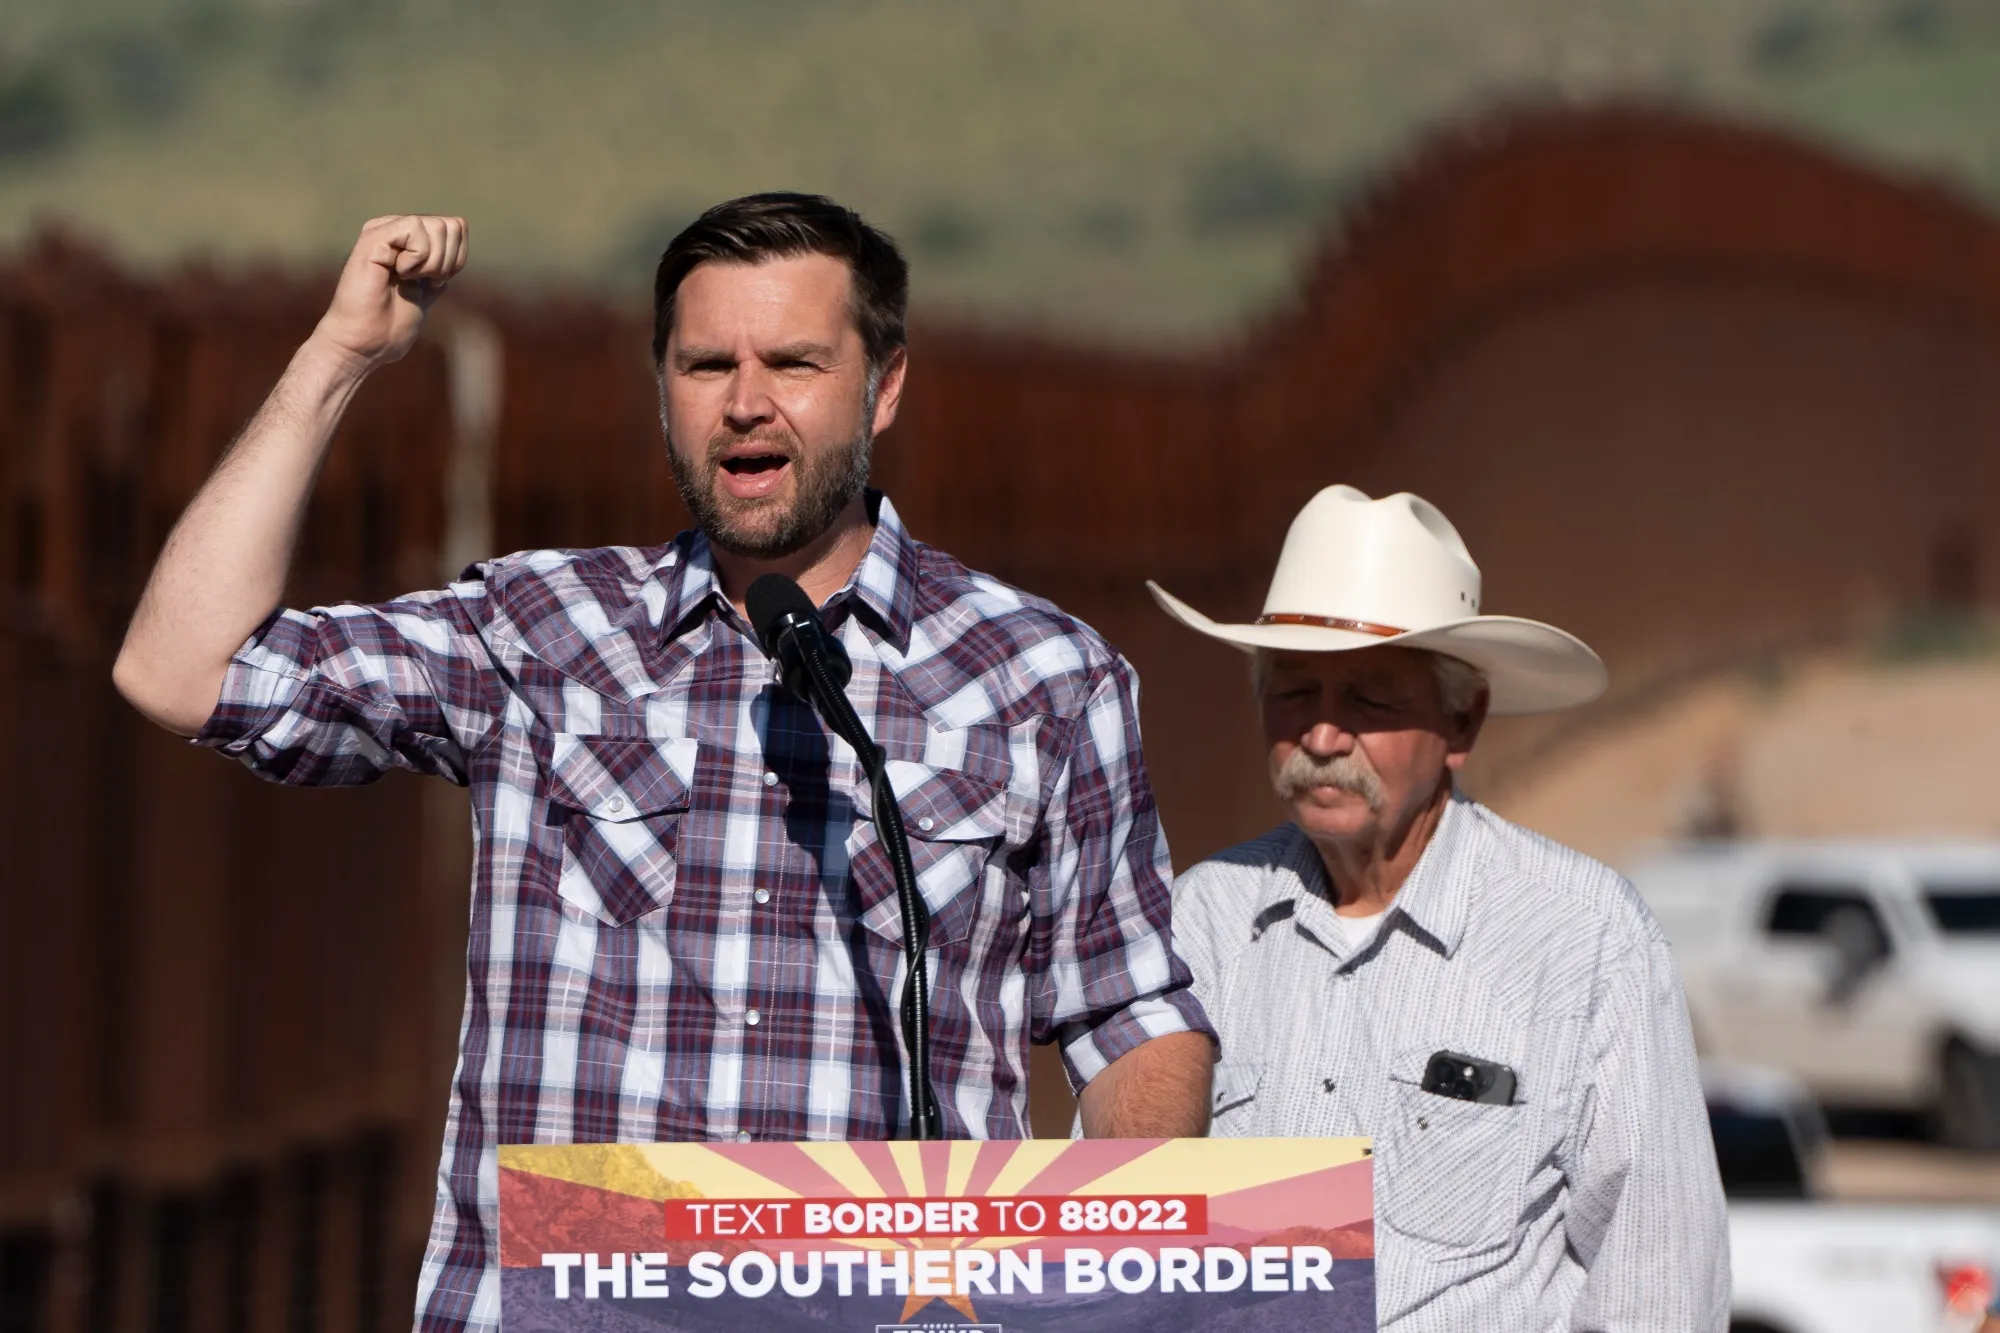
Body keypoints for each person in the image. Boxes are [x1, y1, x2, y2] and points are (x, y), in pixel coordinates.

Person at [113, 195, 1215, 1330]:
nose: (745, 403)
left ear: (882, 387)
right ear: (661, 395)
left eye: (792, 362)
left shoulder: (1042, 675)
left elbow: (1125, 1012)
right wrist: (338, 357)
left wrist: (1101, 1290)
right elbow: (184, 668)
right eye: (704, 365)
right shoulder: (542, 628)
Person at [1156, 485, 1729, 1329]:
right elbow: (1126, 1228)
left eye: (1370, 700)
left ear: (1463, 719)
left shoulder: (1583, 934)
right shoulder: (1204, 916)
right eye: (1293, 692)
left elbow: (1660, 1284)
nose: (1321, 736)